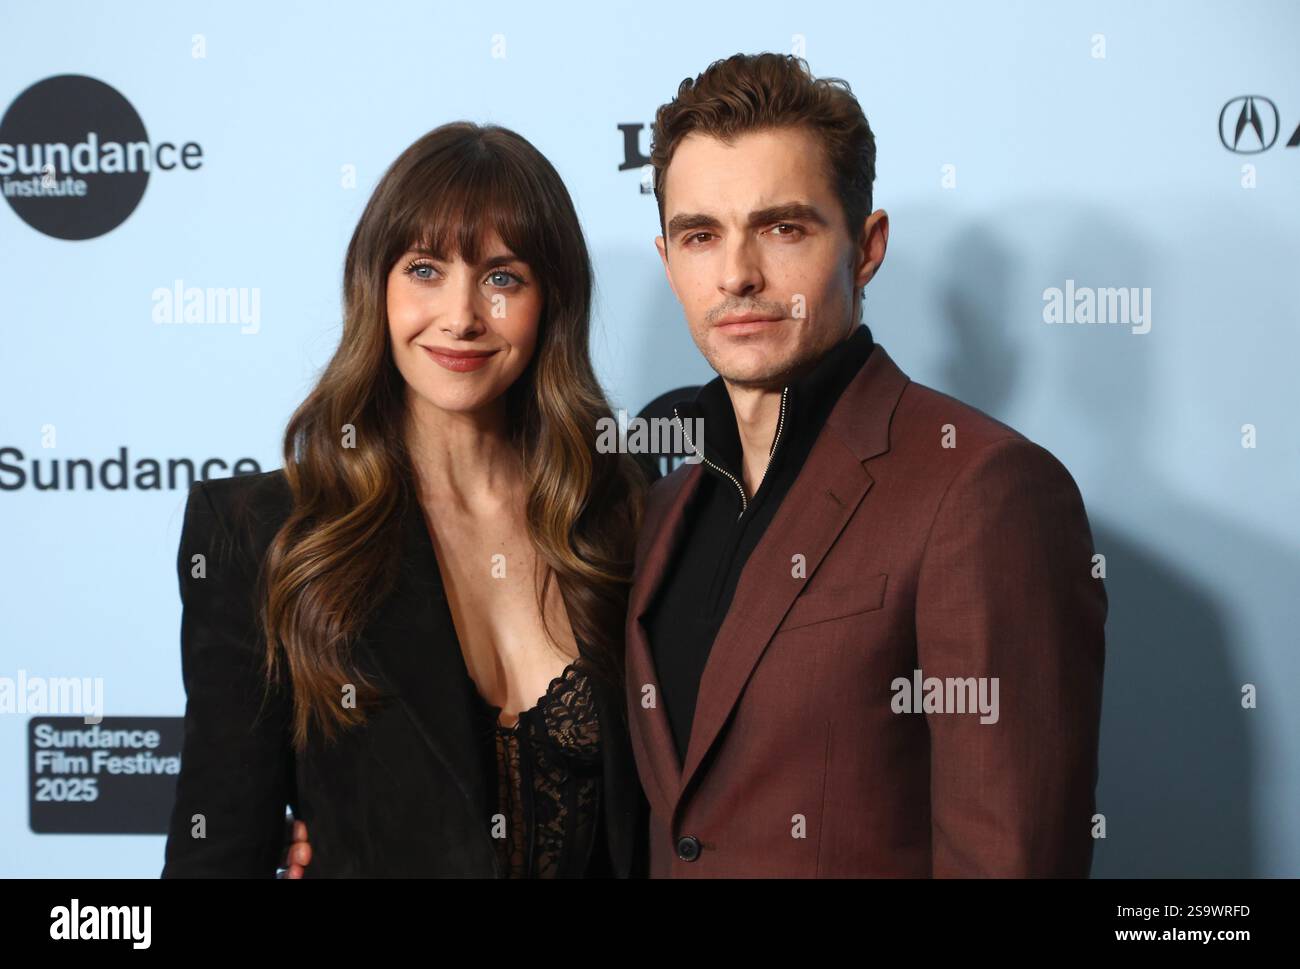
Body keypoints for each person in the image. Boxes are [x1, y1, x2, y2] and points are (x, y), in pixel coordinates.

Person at [288, 52, 1107, 879]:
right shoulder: (658, 504)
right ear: (669, 257)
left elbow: (1010, 858)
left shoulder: (983, 489)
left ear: (866, 247)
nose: (738, 273)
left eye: (784, 227)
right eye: (701, 235)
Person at [161, 121, 650, 878]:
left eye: (502, 277)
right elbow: (214, 854)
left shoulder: (625, 514)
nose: (460, 316)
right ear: (375, 286)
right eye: (425, 269)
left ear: (551, 299)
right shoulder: (261, 537)